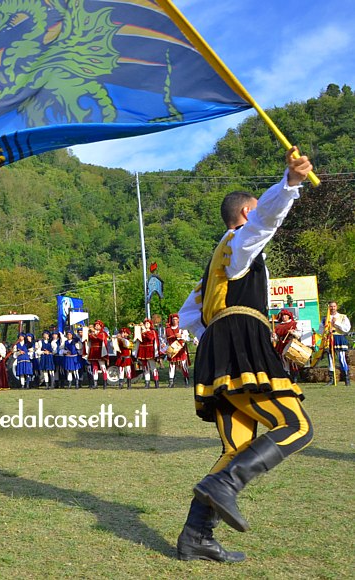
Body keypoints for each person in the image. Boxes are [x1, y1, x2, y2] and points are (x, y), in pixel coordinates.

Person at [175, 148, 314, 562]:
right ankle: (225, 486)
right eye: (255, 211)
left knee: (236, 448)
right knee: (298, 428)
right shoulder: (242, 242)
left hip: (217, 349)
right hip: (241, 344)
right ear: (246, 212)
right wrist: (289, 185)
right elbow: (265, 222)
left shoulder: (215, 263)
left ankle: (195, 536)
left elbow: (187, 315)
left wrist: (216, 334)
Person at [318, 301, 351, 386]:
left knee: (341, 358)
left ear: (337, 307)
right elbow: (321, 330)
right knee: (330, 359)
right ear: (328, 307)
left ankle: (346, 379)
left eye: (334, 306)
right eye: (331, 307)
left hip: (339, 338)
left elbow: (346, 329)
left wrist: (336, 323)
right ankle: (332, 379)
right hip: (329, 339)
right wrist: (326, 331)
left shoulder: (343, 317)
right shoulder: (325, 318)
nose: (332, 308)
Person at [273, 309, 302, 384]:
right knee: (284, 361)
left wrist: (293, 332)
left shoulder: (294, 324)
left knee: (292, 362)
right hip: (281, 344)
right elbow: (275, 339)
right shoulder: (278, 326)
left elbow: (299, 335)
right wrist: (274, 336)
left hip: (291, 343)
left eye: (286, 315)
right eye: (282, 316)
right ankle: (287, 377)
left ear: (289, 316)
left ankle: (294, 378)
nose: (284, 317)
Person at [165, 313, 191, 388]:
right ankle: (171, 382)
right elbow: (164, 339)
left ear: (178, 320)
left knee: (183, 365)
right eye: (173, 319)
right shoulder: (168, 329)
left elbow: (187, 338)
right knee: (172, 365)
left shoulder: (182, 328)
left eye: (176, 319)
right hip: (172, 349)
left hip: (181, 349)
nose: (175, 321)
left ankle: (186, 381)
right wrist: (164, 346)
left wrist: (181, 336)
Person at [137, 319, 160, 389]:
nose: (146, 325)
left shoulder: (152, 332)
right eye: (145, 323)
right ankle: (147, 382)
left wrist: (145, 331)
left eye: (148, 323)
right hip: (143, 350)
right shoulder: (141, 332)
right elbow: (137, 339)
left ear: (150, 325)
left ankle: (156, 382)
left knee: (153, 367)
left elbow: (151, 338)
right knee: (145, 367)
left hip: (150, 350)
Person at [88, 320, 111, 389]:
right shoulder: (92, 333)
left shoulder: (103, 333)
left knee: (102, 366)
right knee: (94, 367)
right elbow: (89, 338)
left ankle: (105, 383)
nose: (96, 326)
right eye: (95, 325)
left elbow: (101, 338)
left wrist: (94, 332)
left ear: (101, 326)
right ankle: (95, 383)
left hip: (100, 351)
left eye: (98, 325)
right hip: (93, 351)